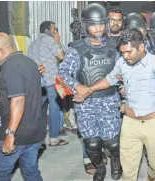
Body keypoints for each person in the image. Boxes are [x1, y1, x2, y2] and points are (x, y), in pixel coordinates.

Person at [74, 28, 155, 181]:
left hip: (153, 125)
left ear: (141, 47)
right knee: (128, 170)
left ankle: (151, 177)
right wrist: (89, 90)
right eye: (122, 52)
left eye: (129, 52)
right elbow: (109, 79)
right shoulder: (122, 62)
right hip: (129, 123)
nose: (125, 56)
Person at [58, 3, 122, 181]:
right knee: (92, 143)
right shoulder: (75, 49)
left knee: (112, 142)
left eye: (102, 24)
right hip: (85, 104)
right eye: (94, 24)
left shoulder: (113, 46)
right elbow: (62, 74)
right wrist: (77, 87)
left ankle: (116, 160)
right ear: (85, 25)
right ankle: (99, 166)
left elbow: (121, 71)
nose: (99, 28)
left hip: (109, 100)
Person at [0, 32, 45, 181]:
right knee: (31, 171)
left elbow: (18, 100)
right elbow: (30, 92)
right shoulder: (29, 62)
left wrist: (10, 134)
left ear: (1, 50)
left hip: (17, 133)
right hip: (35, 131)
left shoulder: (9, 67)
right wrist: (0, 96)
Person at [27, 20, 68, 146]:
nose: (55, 31)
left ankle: (38, 139)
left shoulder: (33, 44)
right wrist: (58, 40)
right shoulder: (49, 40)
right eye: (54, 29)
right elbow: (61, 56)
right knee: (55, 107)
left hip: (37, 81)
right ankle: (54, 138)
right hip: (52, 80)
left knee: (39, 110)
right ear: (49, 30)